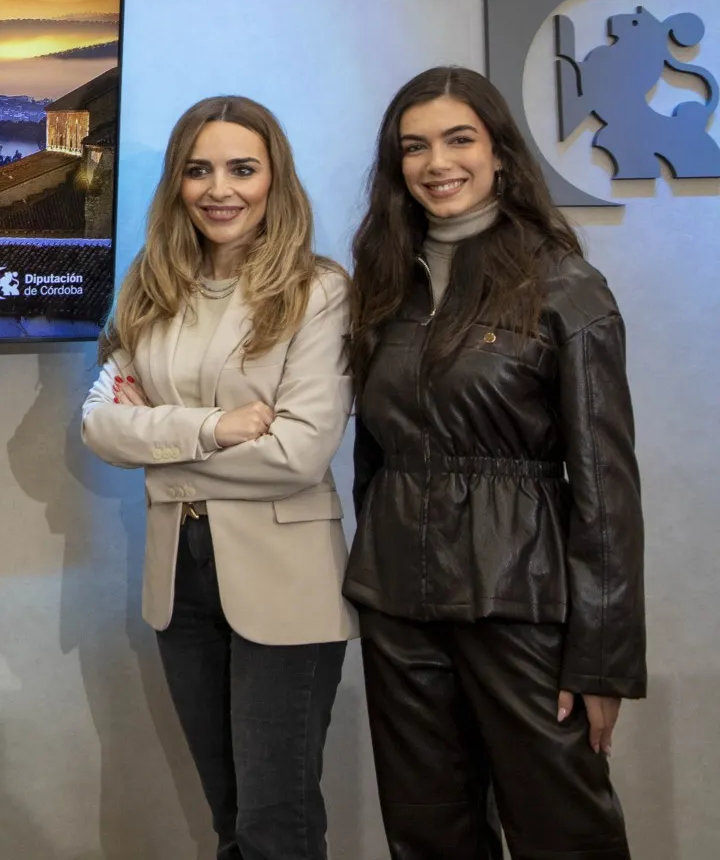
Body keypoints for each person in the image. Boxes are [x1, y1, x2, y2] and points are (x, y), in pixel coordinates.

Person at [344, 66, 643, 860]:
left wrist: (604, 659)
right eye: (414, 146)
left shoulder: (565, 288)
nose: (436, 162)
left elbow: (607, 490)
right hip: (398, 605)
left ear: (500, 152)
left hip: (523, 601)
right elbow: (372, 462)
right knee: (428, 835)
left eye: (458, 138)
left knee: (563, 833)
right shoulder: (383, 287)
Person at [82, 95, 355, 860]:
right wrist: (211, 427)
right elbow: (102, 425)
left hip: (287, 583)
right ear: (177, 184)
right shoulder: (152, 289)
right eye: (198, 170)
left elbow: (299, 453)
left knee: (277, 825)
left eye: (242, 168)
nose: (219, 189)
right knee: (229, 821)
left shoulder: (318, 291)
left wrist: (162, 455)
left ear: (276, 180)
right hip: (182, 582)